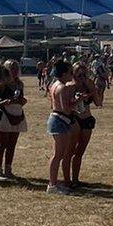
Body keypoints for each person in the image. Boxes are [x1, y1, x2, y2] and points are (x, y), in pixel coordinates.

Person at [68, 62, 102, 188]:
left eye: (84, 75)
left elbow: (98, 103)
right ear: (73, 74)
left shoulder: (89, 85)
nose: (82, 78)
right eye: (79, 75)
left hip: (87, 119)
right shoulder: (70, 86)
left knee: (80, 151)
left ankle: (76, 179)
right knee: (70, 150)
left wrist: (93, 90)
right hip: (75, 118)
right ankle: (68, 179)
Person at [46, 60, 76, 195]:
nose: (72, 75)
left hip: (57, 119)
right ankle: (52, 184)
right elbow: (66, 109)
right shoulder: (62, 87)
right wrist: (77, 102)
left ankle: (53, 183)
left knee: (59, 154)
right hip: (60, 120)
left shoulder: (54, 85)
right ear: (64, 73)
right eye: (70, 72)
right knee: (58, 154)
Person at [0, 60, 28, 179]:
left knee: (12, 145)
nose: (14, 71)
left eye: (16, 68)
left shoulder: (19, 84)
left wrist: (22, 101)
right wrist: (5, 102)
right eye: (11, 68)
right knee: (1, 144)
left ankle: (8, 169)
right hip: (4, 114)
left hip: (17, 113)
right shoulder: (1, 84)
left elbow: (20, 98)